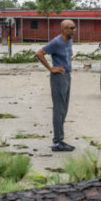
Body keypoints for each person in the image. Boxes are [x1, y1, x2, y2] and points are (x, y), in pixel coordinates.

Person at [36, 20, 76, 152]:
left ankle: (60, 139)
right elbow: (39, 53)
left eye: (74, 27)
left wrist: (70, 59)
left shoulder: (69, 41)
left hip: (67, 75)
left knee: (64, 109)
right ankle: (57, 142)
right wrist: (50, 68)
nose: (73, 30)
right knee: (59, 109)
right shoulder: (56, 42)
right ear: (64, 29)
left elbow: (67, 55)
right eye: (71, 28)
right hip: (58, 77)